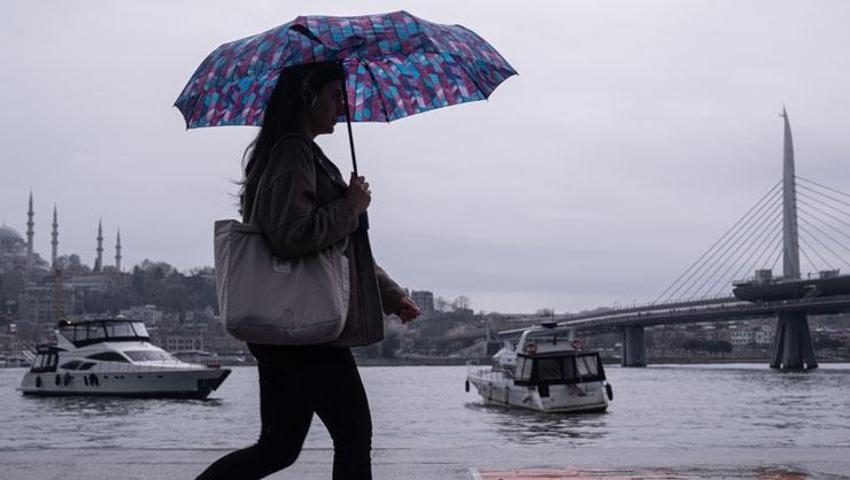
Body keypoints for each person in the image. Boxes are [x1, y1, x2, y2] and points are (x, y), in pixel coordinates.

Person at [196, 61, 420, 480]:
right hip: (306, 325)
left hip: (285, 326)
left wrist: (390, 294)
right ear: (307, 95)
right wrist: (349, 206)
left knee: (278, 447)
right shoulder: (293, 153)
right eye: (335, 96)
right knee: (353, 436)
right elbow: (290, 236)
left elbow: (338, 250)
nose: (342, 107)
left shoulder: (296, 152)